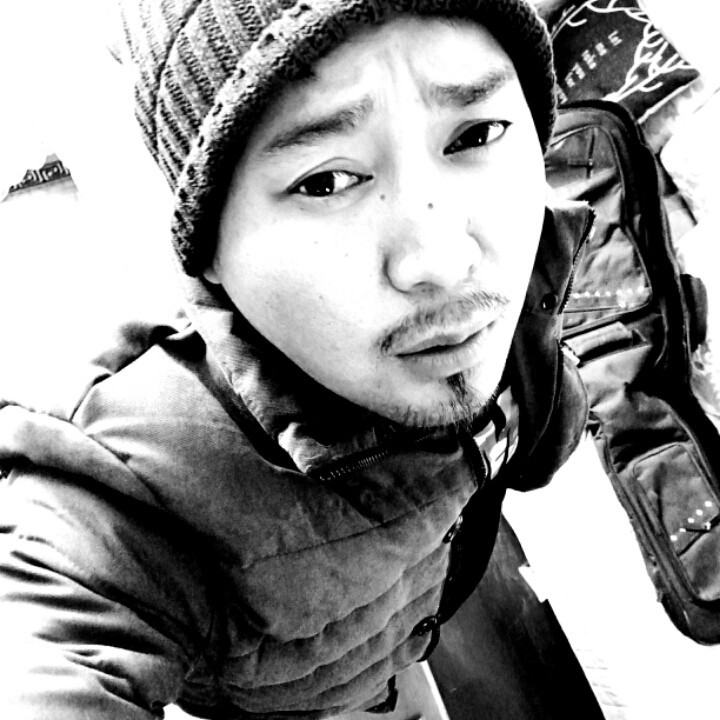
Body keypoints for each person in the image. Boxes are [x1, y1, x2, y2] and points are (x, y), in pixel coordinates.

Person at [0, 0, 594, 717]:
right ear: (208, 256)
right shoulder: (135, 485)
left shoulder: (523, 274)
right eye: (325, 182)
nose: (444, 261)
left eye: (475, 134)